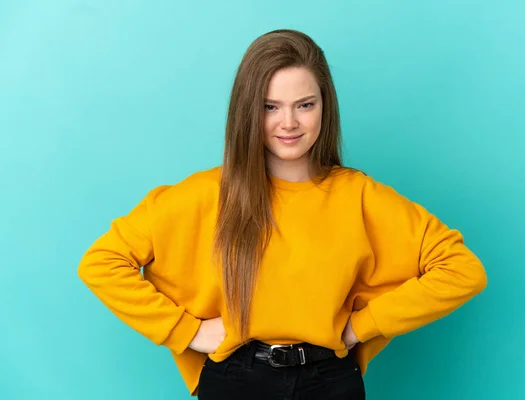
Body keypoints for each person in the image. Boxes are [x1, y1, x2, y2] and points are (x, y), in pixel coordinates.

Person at [78, 29, 487, 399]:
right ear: (246, 112)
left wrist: (365, 325)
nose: (288, 122)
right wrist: (189, 331)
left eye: (304, 104)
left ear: (325, 106)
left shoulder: (360, 196)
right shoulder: (203, 195)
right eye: (270, 106)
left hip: (331, 380)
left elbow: (462, 270)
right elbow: (102, 263)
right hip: (235, 379)